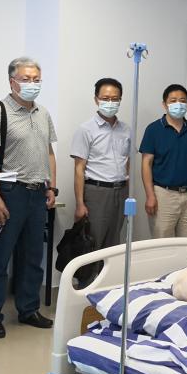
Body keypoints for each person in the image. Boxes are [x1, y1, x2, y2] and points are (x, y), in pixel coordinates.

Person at [0, 56, 57, 339]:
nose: (32, 84)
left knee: (33, 257)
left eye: (36, 79)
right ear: (12, 82)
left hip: (38, 194)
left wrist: (52, 187)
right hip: (10, 193)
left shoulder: (43, 113)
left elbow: (49, 152)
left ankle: (28, 309)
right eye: (26, 79)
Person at [70, 77, 130, 265]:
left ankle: (109, 282)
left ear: (120, 100)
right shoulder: (85, 129)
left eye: (115, 99)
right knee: (92, 243)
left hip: (121, 192)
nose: (110, 103)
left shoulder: (126, 130)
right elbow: (79, 168)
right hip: (96, 192)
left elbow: (127, 162)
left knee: (114, 245)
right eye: (105, 98)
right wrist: (80, 204)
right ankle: (89, 281)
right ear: (96, 99)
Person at [139, 84, 187, 239]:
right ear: (164, 104)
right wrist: (150, 195)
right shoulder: (153, 129)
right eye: (173, 100)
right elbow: (146, 164)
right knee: (162, 242)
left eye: (182, 100)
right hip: (163, 195)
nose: (178, 104)